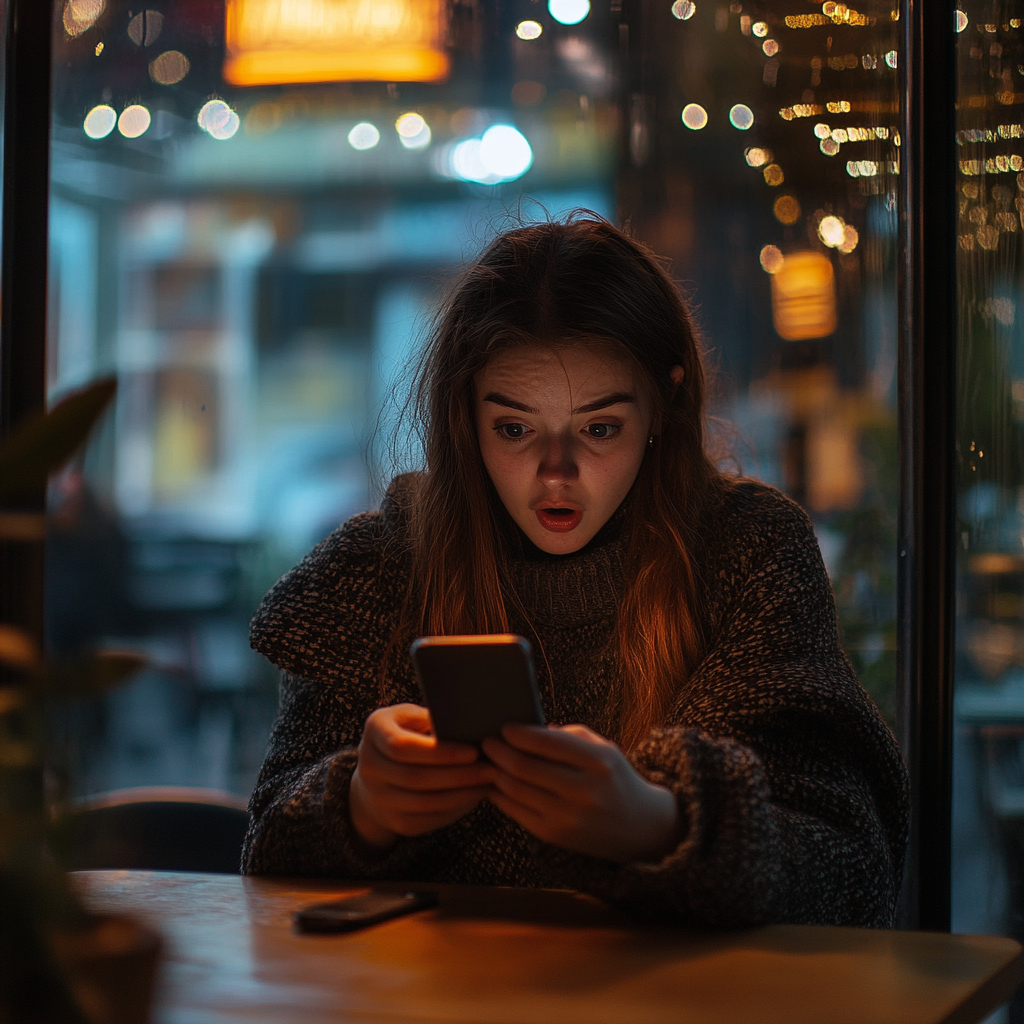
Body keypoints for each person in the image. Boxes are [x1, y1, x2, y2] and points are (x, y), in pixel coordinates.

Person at [242, 216, 909, 928]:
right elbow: (265, 859)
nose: (555, 474)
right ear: (465, 417)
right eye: (514, 429)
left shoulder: (743, 554)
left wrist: (659, 823)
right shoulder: (379, 569)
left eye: (599, 429)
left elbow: (852, 867)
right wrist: (362, 805)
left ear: (663, 403)